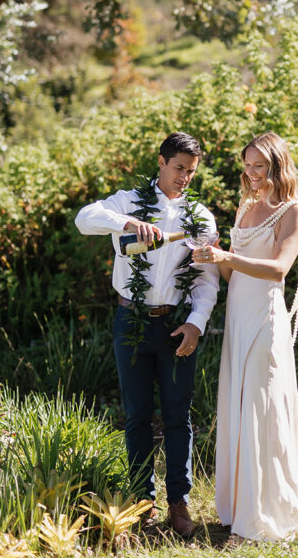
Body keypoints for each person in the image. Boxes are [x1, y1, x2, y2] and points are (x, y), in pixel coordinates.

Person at [74, 131, 218, 537]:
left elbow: (206, 278)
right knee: (136, 415)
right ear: (161, 162)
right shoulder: (128, 201)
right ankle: (142, 501)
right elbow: (84, 219)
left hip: (176, 325)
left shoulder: (201, 217)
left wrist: (196, 323)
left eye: (191, 172)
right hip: (130, 320)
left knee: (178, 415)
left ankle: (179, 502)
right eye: (179, 168)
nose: (184, 177)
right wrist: (127, 222)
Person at [192, 130, 298, 541]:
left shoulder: (293, 212)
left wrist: (227, 255)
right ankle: (239, 508)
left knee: (262, 406)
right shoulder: (246, 207)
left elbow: (278, 269)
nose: (252, 172)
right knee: (240, 403)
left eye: (259, 165)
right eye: (247, 165)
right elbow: (232, 274)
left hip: (265, 318)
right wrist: (213, 254)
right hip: (238, 318)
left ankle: (261, 516)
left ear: (277, 165)